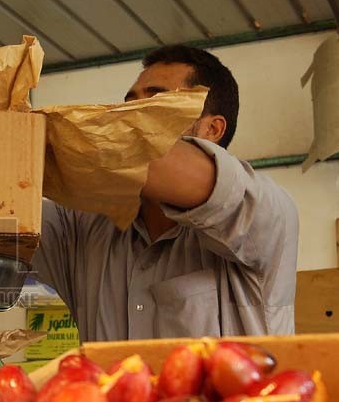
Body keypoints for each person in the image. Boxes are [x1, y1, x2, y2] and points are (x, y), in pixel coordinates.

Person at [31, 45, 298, 342]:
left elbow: (160, 164)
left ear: (212, 129)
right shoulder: (81, 227)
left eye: (155, 104)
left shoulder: (263, 211)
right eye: (129, 103)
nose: (129, 116)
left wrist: (39, 140)